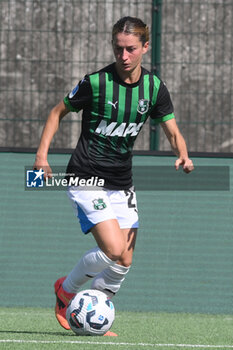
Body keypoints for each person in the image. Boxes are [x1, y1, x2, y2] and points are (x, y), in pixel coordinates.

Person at [33, 16, 194, 336]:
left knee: (124, 261)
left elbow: (172, 129)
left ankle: (95, 313)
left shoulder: (154, 88)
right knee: (113, 249)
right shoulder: (96, 83)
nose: (123, 56)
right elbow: (56, 112)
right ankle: (66, 291)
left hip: (122, 182)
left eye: (131, 49)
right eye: (118, 48)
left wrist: (183, 153)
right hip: (85, 176)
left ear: (145, 47)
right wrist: (41, 157)